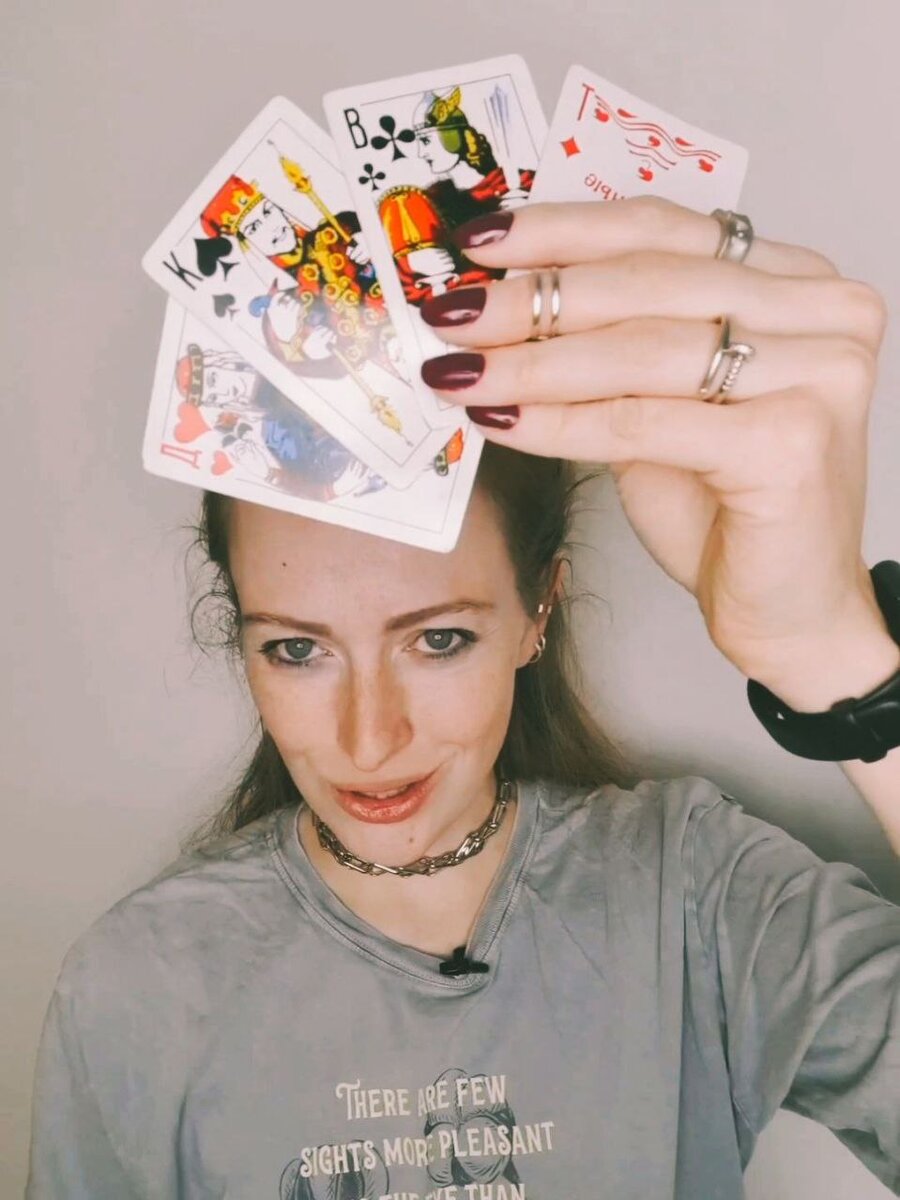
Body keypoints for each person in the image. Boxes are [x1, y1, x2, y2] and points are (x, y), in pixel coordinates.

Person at [27, 197, 900, 1199]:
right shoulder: (138, 979)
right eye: (298, 650)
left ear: (538, 611)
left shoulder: (695, 896)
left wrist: (831, 659)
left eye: (439, 640)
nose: (369, 740)